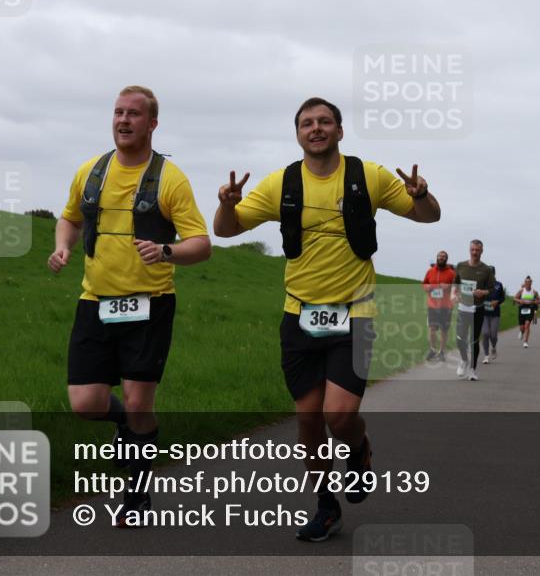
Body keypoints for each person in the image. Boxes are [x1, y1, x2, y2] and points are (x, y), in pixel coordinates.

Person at [212, 97, 440, 542]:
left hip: (355, 314)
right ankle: (325, 506)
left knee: (339, 415)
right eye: (306, 123)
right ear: (298, 133)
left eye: (324, 122)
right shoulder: (282, 183)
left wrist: (420, 195)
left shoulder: (368, 176)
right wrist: (227, 204)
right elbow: (225, 229)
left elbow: (429, 216)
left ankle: (359, 448)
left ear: (339, 130)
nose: (315, 128)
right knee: (309, 421)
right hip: (299, 315)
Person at [47, 85, 211, 526]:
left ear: (152, 124)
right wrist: (64, 246)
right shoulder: (91, 172)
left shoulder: (170, 179)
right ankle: (123, 427)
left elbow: (201, 243)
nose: (123, 120)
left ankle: (136, 497)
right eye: (118, 112)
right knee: (86, 403)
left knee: (139, 403)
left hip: (149, 305)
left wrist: (167, 250)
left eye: (134, 114)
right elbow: (70, 218)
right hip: (95, 301)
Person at [451, 240, 495, 380]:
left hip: (478, 309)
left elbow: (492, 289)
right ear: (469, 250)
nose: (475, 252)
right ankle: (464, 359)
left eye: (477, 250)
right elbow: (455, 283)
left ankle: (472, 370)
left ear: (482, 251)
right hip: (463, 307)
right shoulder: (461, 266)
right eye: (473, 249)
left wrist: (483, 292)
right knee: (460, 338)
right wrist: (453, 294)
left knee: (474, 340)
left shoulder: (486, 270)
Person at [422, 251, 455, 361]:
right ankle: (432, 349)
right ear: (437, 257)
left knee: (444, 330)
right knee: (432, 328)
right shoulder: (430, 271)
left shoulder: (451, 273)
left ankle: (441, 351)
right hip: (432, 305)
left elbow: (457, 287)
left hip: (446, 306)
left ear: (446, 259)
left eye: (443, 256)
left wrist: (449, 286)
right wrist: (427, 287)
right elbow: (424, 283)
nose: (441, 258)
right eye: (440, 256)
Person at [481, 269, 506, 364]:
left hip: (495, 314)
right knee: (485, 334)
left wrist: (497, 301)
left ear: (494, 274)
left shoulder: (498, 285)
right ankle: (486, 356)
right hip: (484, 313)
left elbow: (502, 297)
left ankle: (494, 347)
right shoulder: (482, 284)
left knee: (493, 335)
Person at [514, 277, 540, 348]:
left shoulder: (534, 292)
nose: (528, 284)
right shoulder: (521, 291)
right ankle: (521, 332)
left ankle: (525, 342)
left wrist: (535, 302)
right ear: (525, 283)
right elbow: (515, 298)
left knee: (527, 325)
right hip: (522, 308)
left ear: (531, 283)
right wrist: (519, 301)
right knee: (522, 327)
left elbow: (539, 300)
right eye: (527, 282)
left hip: (530, 308)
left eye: (529, 283)